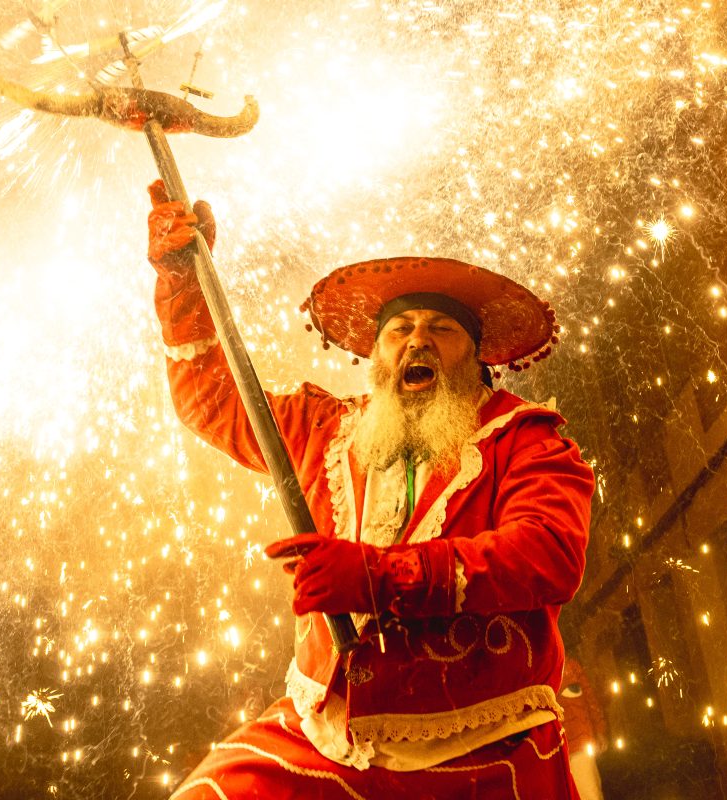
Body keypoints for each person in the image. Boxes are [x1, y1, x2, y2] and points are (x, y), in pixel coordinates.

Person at [146, 180, 595, 799]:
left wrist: (381, 576)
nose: (417, 340)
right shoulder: (323, 428)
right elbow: (212, 401)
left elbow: (549, 555)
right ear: (378, 356)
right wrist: (180, 282)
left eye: (441, 328)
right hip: (328, 740)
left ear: (476, 358)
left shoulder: (526, 440)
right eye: (399, 329)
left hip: (482, 750)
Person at [559, 655, 609, 800]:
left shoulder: (569, 666)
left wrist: (599, 729)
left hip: (578, 743)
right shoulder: (535, 670)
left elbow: (588, 697)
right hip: (554, 748)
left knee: (588, 792)